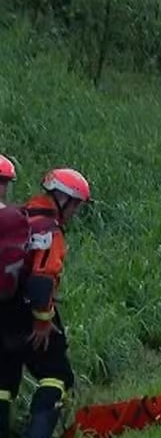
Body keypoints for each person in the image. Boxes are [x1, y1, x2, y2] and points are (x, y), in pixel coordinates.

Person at [0, 168, 91, 437]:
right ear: (65, 200)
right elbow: (42, 280)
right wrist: (43, 320)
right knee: (56, 375)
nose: (75, 212)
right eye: (76, 206)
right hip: (30, 311)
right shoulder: (49, 228)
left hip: (2, 309)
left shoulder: (20, 215)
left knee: (3, 383)